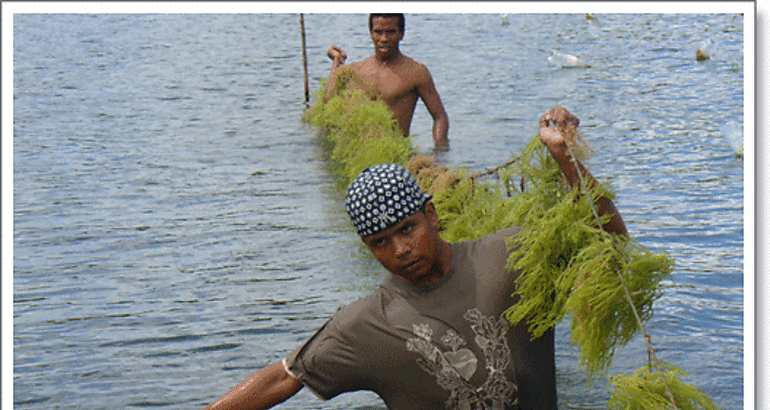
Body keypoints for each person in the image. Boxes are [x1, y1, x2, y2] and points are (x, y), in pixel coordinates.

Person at [201, 107, 627, 410]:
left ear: (432, 215)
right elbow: (284, 376)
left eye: (407, 229)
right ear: (368, 249)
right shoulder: (368, 323)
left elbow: (614, 249)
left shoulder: (512, 253)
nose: (400, 250)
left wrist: (565, 159)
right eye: (381, 242)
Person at [325, 13, 450, 150]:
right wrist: (337, 62)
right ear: (371, 33)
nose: (383, 39)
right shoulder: (354, 71)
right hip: (357, 153)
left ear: (401, 34)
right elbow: (327, 105)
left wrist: (440, 150)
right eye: (378, 32)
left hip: (395, 153)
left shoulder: (416, 72)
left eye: (390, 32)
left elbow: (440, 116)